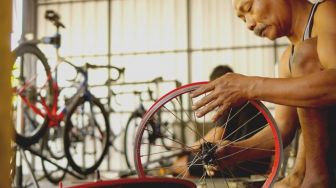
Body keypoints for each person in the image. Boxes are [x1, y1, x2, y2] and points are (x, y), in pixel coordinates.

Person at [190, 0, 336, 187]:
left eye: (249, 8)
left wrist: (251, 86)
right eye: (243, 19)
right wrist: (235, 151)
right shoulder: (286, 60)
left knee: (304, 55)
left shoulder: (328, 12)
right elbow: (282, 130)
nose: (249, 24)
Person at [172, 65, 271, 178]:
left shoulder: (230, 101)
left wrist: (188, 149)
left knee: (178, 164)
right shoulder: (248, 101)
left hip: (237, 163)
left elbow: (215, 136)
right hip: (260, 164)